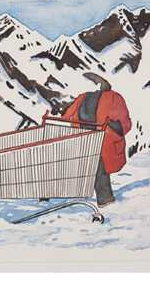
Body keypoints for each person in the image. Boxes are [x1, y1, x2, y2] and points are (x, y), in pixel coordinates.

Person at [61, 73, 132, 207]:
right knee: (92, 166)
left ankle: (105, 199)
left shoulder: (111, 98)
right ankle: (103, 198)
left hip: (100, 141)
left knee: (98, 167)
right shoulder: (84, 98)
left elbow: (124, 123)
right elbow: (67, 116)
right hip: (87, 140)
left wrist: (114, 127)